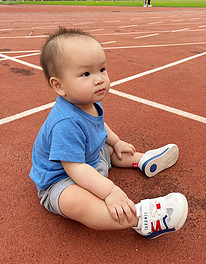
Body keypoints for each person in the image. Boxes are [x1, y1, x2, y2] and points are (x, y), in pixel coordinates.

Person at [29, 27, 188, 239]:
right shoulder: (65, 122)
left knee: (110, 148)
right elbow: (75, 169)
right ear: (59, 86)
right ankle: (140, 218)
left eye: (102, 69)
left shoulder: (88, 102)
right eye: (86, 74)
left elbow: (99, 126)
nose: (99, 79)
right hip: (62, 179)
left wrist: (117, 141)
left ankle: (143, 159)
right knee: (77, 203)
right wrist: (110, 192)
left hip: (91, 159)